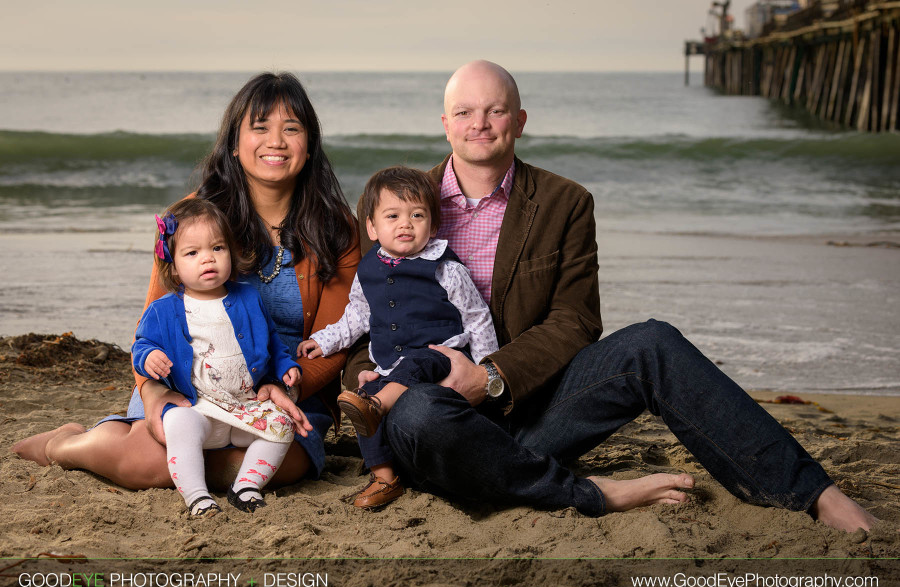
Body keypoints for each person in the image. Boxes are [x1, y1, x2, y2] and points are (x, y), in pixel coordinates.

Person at [343, 60, 877, 533]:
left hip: (532, 408)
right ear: (444, 124)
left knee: (653, 343)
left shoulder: (564, 202)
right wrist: (371, 378)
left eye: (495, 110)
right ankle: (595, 493)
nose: (478, 124)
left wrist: (493, 376)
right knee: (417, 415)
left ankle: (814, 493)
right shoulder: (400, 206)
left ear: (520, 121)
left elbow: (575, 321)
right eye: (463, 112)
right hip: (434, 414)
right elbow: (365, 319)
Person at [13, 72, 360, 494]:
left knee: (281, 467)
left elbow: (334, 340)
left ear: (309, 145)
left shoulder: (336, 228)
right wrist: (155, 394)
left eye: (292, 128)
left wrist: (284, 384)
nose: (277, 141)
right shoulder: (191, 220)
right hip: (186, 380)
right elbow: (152, 325)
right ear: (235, 143)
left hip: (282, 388)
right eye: (261, 127)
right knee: (151, 464)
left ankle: (140, 447)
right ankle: (66, 445)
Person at [300, 166, 498, 508]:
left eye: (417, 215)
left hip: (439, 356)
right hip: (390, 364)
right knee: (362, 393)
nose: (405, 224)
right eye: (393, 216)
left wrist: (485, 369)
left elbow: (477, 318)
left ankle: (377, 405)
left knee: (402, 375)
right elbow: (359, 314)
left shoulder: (445, 268)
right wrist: (325, 340)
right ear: (373, 228)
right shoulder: (368, 268)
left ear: (433, 226)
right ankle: (385, 477)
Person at [134, 198, 312, 515]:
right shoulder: (163, 310)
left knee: (282, 424)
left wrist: (286, 367)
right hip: (200, 408)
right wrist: (148, 357)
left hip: (245, 405)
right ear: (173, 266)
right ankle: (197, 496)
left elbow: (272, 341)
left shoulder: (248, 297)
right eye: (192, 253)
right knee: (177, 423)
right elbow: (142, 343)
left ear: (230, 251)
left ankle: (246, 485)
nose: (208, 259)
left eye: (217, 248)